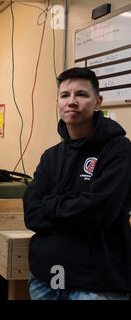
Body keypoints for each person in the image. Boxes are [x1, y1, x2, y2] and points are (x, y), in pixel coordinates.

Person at [23, 67, 131, 300]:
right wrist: (76, 206)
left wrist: (51, 204)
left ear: (98, 101)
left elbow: (100, 212)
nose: (72, 101)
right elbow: (31, 213)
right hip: (47, 279)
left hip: (95, 285)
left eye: (81, 94)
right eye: (65, 95)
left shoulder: (118, 150)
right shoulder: (51, 155)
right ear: (58, 102)